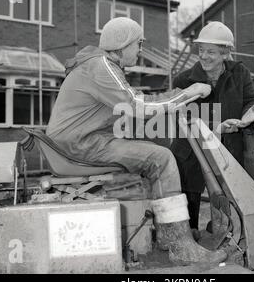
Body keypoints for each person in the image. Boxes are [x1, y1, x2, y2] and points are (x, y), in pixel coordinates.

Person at [46, 17, 227, 265]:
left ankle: (167, 235)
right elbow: (137, 106)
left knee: (153, 149)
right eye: (138, 44)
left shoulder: (100, 65)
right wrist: (188, 93)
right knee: (161, 158)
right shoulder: (103, 67)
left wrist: (175, 98)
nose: (141, 51)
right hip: (79, 145)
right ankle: (180, 245)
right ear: (123, 43)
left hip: (77, 142)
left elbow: (132, 102)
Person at [171, 21, 254, 232]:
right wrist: (215, 128)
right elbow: (179, 118)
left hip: (228, 148)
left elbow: (252, 100)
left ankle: (227, 234)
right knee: (189, 199)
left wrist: (250, 116)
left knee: (229, 197)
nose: (203, 56)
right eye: (201, 50)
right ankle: (189, 238)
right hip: (191, 150)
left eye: (211, 52)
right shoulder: (184, 80)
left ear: (225, 53)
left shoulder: (239, 73)